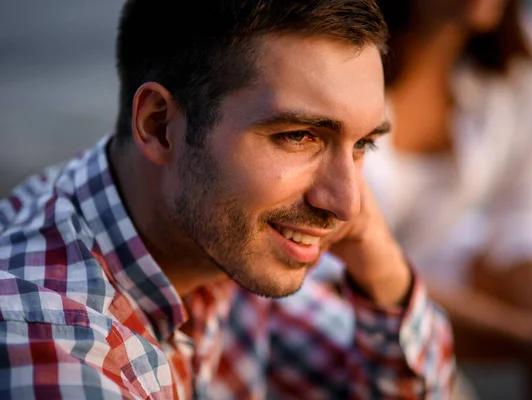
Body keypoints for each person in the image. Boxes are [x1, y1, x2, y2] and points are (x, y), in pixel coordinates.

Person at [0, 0, 455, 398]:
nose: (348, 204)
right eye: (299, 136)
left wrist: (381, 264)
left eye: (362, 145)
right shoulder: (56, 345)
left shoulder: (212, 244)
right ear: (160, 127)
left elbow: (391, 384)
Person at [354, 0, 532, 398]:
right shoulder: (344, 47)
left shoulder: (528, 58)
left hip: (436, 259)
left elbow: (526, 213)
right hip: (341, 276)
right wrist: (524, 338)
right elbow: (339, 265)